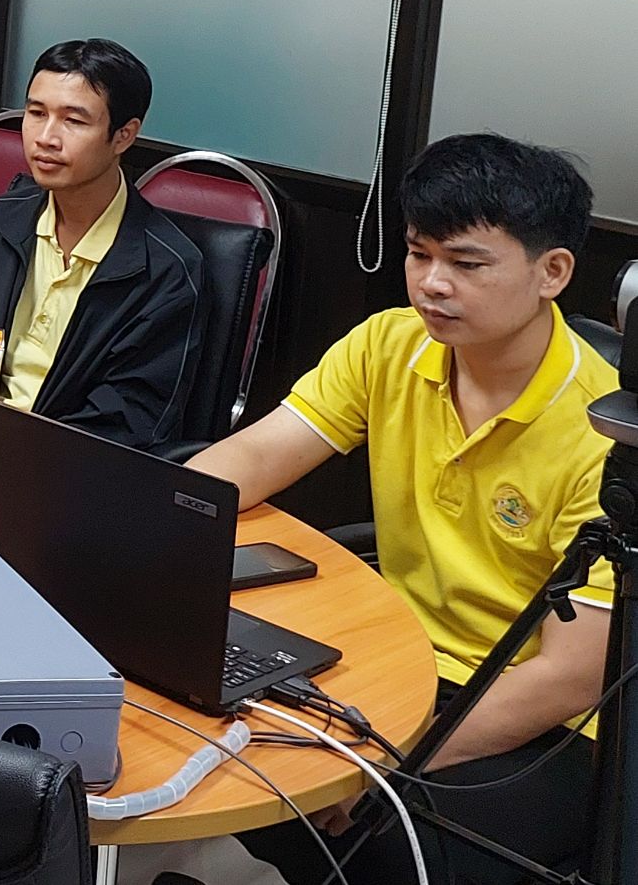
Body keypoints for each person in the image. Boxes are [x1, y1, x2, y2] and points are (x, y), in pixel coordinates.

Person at [194, 135, 611, 885]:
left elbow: (568, 677)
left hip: (540, 717)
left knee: (382, 842)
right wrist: (155, 526)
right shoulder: (390, 345)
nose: (432, 285)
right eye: (419, 254)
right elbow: (252, 458)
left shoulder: (603, 435)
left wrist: (384, 759)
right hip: (399, 655)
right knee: (230, 748)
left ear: (552, 272)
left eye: (467, 263)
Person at [0, 38, 206, 452]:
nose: (46, 138)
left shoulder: (165, 270)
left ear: (123, 135)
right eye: (36, 113)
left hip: (61, 462)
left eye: (73, 121)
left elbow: (130, 422)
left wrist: (15, 446)